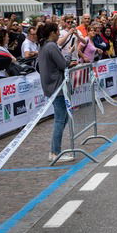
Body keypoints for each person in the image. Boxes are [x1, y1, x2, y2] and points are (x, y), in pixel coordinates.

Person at [37, 22, 74, 162]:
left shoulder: (44, 46)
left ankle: (55, 150)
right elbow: (64, 64)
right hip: (57, 87)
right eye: (57, 31)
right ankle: (54, 152)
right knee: (60, 119)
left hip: (52, 87)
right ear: (52, 33)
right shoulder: (51, 46)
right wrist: (69, 54)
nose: (59, 33)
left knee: (63, 118)